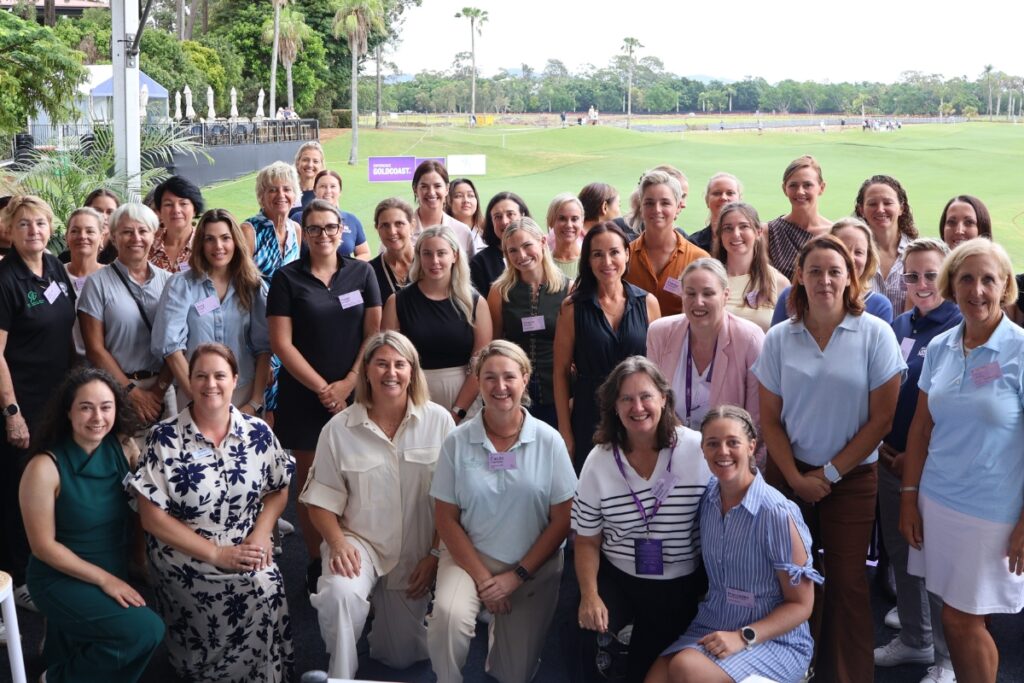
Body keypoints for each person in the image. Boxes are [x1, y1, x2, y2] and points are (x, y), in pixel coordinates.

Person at [753, 234, 905, 683]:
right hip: (789, 474)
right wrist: (798, 480)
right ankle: (795, 668)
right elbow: (770, 421)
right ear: (799, 276)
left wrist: (830, 473)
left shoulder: (874, 333)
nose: (824, 280)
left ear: (850, 277)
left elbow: (881, 421)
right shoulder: (781, 337)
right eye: (815, 271)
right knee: (791, 581)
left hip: (853, 479)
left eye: (834, 271)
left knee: (847, 583)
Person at [129, 343, 294, 682]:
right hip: (185, 554)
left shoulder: (257, 433)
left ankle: (264, 674)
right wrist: (217, 554)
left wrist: (261, 534)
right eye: (200, 376)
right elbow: (151, 518)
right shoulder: (164, 438)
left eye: (220, 375)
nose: (210, 384)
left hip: (245, 542)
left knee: (266, 582)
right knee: (247, 588)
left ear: (235, 380)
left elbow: (279, 489)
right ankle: (210, 671)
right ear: (189, 382)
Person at [900, 239, 1024, 683]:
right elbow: (921, 428)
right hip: (939, 502)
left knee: (959, 619)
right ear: (952, 285)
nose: (977, 290)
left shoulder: (1020, 351)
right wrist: (909, 498)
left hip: (993, 513)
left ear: (1005, 286)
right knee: (965, 617)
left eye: (989, 279)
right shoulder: (941, 348)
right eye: (967, 278)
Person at [300, 331, 455, 679]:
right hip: (359, 542)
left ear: (412, 372)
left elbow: (453, 503)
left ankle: (377, 614)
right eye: (382, 363)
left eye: (400, 364)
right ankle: (339, 673)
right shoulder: (337, 429)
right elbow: (320, 502)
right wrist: (337, 544)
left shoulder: (440, 422)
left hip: (416, 551)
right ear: (366, 371)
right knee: (340, 595)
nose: (391, 372)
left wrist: (434, 557)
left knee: (400, 658)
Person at [427, 340, 578, 683]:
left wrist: (516, 577)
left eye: (509, 376)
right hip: (469, 560)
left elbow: (562, 520)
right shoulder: (457, 441)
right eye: (490, 377)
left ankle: (502, 641)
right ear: (477, 381)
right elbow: (445, 518)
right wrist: (484, 580)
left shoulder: (549, 440)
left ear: (525, 378)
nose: (500, 387)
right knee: (447, 621)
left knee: (514, 675)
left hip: (532, 567)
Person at [647, 405, 821, 683]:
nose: (723, 452)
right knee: (656, 677)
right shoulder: (707, 500)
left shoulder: (776, 513)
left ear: (751, 446)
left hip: (774, 640)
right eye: (713, 444)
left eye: (733, 443)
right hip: (714, 622)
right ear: (702, 450)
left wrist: (743, 637)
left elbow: (801, 605)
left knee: (685, 668)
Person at [571, 357, 711, 683]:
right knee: (580, 635)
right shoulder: (600, 460)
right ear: (614, 407)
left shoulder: (696, 450)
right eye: (626, 399)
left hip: (681, 583)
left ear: (664, 397)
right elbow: (587, 539)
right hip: (620, 576)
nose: (638, 407)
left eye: (646, 396)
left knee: (645, 667)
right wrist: (589, 595)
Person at [20, 368, 164, 682]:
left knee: (90, 651)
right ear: (68, 412)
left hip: (111, 567)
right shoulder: (44, 467)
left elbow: (149, 500)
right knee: (146, 631)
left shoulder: (123, 448)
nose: (97, 417)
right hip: (59, 575)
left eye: (106, 407)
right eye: (86, 407)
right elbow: (43, 547)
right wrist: (105, 581)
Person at [268, 198, 382, 585]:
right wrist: (323, 390)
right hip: (304, 396)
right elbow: (282, 345)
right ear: (305, 233)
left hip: (356, 392)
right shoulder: (287, 278)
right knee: (313, 481)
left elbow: (374, 334)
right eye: (313, 228)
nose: (323, 235)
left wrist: (349, 382)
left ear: (342, 230)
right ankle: (317, 558)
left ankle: (358, 552)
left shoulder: (362, 274)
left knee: (359, 475)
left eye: (330, 227)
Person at [872, 239, 959, 682]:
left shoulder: (959, 325)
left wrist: (916, 456)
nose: (921, 284)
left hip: (934, 467)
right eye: (912, 276)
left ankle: (946, 659)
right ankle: (915, 638)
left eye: (931, 275)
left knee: (937, 562)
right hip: (890, 461)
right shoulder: (901, 323)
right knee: (902, 552)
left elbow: (956, 408)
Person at [0, 196, 77, 610]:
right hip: (21, 402)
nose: (33, 231)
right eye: (24, 224)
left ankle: (48, 561)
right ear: (9, 231)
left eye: (41, 223)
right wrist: (11, 413)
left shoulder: (53, 268)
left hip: (56, 398)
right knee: (19, 487)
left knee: (51, 484)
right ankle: (20, 577)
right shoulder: (5, 279)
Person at [554, 222, 661, 469]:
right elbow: (560, 373)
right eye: (597, 254)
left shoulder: (648, 303)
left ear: (627, 253)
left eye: (614, 252)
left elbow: (658, 370)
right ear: (588, 261)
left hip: (639, 411)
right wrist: (565, 430)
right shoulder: (572, 308)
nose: (607, 262)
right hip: (589, 412)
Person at [151, 208, 270, 412]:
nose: (218, 246)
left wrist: (255, 401)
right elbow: (171, 347)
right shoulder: (181, 285)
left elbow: (264, 348)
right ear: (201, 244)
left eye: (225, 238)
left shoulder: (253, 286)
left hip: (243, 394)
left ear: (236, 241)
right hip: (194, 395)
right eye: (209, 239)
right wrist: (198, 398)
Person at [382, 225, 492, 423]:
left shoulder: (475, 303)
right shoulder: (397, 302)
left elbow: (480, 363)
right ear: (419, 257)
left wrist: (458, 411)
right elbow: (388, 359)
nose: (434, 261)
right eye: (427, 254)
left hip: (463, 396)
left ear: (455, 256)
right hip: (414, 394)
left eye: (441, 253)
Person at [79, 203, 173, 428]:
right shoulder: (97, 283)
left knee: (165, 458)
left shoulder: (170, 282)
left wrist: (158, 391)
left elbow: (178, 341)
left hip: (163, 389)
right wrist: (131, 392)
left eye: (143, 231)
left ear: (154, 235)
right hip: (115, 389)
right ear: (113, 237)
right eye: (127, 232)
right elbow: (95, 349)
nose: (136, 238)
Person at [646, 259, 764, 433]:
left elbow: (756, 418)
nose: (698, 302)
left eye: (708, 294)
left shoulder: (749, 339)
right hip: (671, 444)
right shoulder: (660, 333)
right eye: (691, 293)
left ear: (725, 295)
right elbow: (653, 400)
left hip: (726, 452)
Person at [487, 218, 569, 428]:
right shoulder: (499, 292)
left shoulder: (568, 288)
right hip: (515, 392)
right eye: (512, 250)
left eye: (527, 246)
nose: (521, 256)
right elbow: (494, 346)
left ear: (542, 242)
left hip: (559, 389)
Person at [241, 161, 303, 416]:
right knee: (259, 403)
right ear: (261, 196)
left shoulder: (296, 229)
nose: (281, 195)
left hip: (288, 328)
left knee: (280, 405)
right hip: (256, 329)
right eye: (272, 190)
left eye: (287, 189)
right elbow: (241, 287)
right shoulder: (249, 230)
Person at [771, 218, 894, 325]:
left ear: (868, 259)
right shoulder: (791, 296)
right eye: (843, 249)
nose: (850, 258)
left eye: (858, 252)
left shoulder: (879, 306)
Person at [624, 170, 709, 317]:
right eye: (649, 203)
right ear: (641, 208)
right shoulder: (624, 257)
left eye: (665, 203)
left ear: (677, 208)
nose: (657, 209)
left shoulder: (699, 260)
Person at [711, 202, 787, 332]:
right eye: (728, 228)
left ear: (758, 232)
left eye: (744, 226)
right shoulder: (707, 279)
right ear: (719, 235)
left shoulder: (778, 282)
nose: (736, 234)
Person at [854, 175, 919, 314]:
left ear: (901, 208)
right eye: (872, 204)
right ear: (861, 210)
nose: (880, 209)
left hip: (907, 335)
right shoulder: (852, 255)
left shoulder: (918, 254)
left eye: (888, 203)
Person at [766, 155, 831, 281]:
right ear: (784, 189)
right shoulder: (769, 232)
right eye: (793, 185)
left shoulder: (835, 233)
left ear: (821, 188)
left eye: (807, 185)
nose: (800, 192)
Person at [289, 169, 370, 260]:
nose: (328, 191)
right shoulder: (299, 218)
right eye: (323, 186)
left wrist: (348, 269)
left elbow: (364, 253)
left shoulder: (351, 219)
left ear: (340, 191)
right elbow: (290, 255)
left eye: (333, 186)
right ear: (315, 191)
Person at [409, 160, 476, 257]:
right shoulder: (401, 231)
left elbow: (471, 271)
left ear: (447, 189)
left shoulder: (463, 232)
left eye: (437, 186)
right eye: (424, 187)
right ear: (415, 189)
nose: (431, 192)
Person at [64, 206, 105, 359]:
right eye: (75, 231)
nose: (82, 236)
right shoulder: (53, 276)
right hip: (63, 366)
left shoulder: (113, 277)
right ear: (66, 237)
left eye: (90, 231)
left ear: (101, 237)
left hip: (107, 367)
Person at [470, 192, 530, 297]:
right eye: (498, 217)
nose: (504, 221)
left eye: (510, 214)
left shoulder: (536, 252)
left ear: (522, 215)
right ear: (491, 222)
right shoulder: (480, 263)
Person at [150, 175, 204, 273]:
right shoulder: (148, 247)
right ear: (159, 212)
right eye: (168, 204)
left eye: (183, 204)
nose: (176, 210)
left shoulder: (205, 245)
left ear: (195, 209)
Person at [369, 197, 416, 301]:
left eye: (399, 224)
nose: (392, 231)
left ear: (412, 225)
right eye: (385, 225)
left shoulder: (429, 263)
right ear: (377, 229)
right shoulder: (369, 271)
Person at [59, 189, 120, 265]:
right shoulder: (64, 260)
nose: (104, 216)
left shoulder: (122, 256)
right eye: (97, 211)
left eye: (110, 212)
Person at [687, 173, 742, 254]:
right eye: (717, 193)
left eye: (730, 193)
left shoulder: (750, 240)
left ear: (740, 199)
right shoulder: (693, 243)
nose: (723, 197)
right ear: (707, 200)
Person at [546, 193, 584, 280]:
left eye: (574, 219)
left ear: (582, 222)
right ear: (551, 222)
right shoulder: (543, 263)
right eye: (562, 219)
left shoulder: (591, 261)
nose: (569, 225)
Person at [445, 177, 486, 252]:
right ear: (448, 201)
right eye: (458, 196)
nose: (466, 200)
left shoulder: (488, 230)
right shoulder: (443, 232)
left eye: (470, 195)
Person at [293, 140, 325, 208]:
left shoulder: (325, 194)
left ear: (321, 165)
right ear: (298, 162)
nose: (310, 165)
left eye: (315, 161)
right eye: (305, 160)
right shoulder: (287, 191)